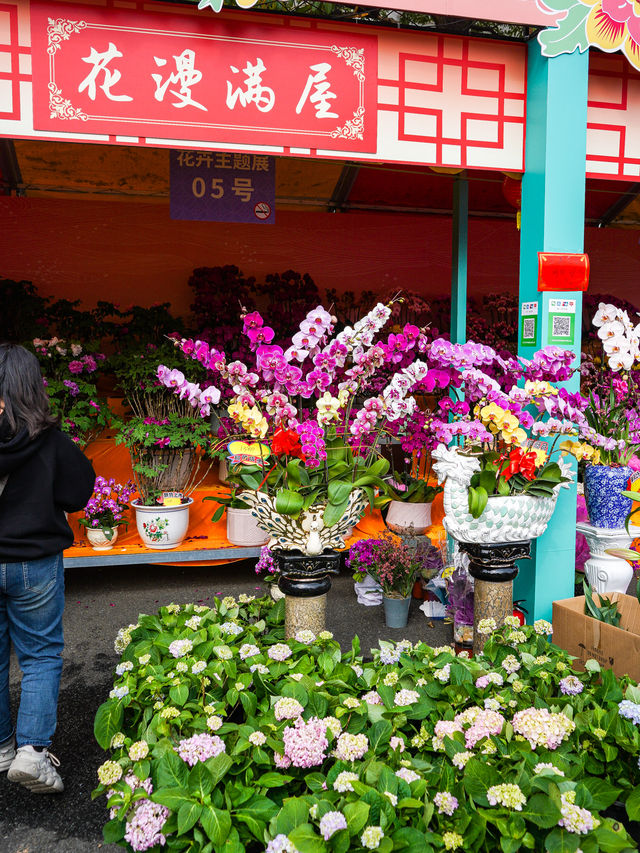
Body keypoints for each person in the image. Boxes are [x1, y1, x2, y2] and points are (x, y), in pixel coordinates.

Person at [0, 343, 95, 793]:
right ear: (30, 387)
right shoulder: (49, 439)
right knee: (39, 656)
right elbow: (78, 493)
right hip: (34, 563)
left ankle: (1, 747)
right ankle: (32, 754)